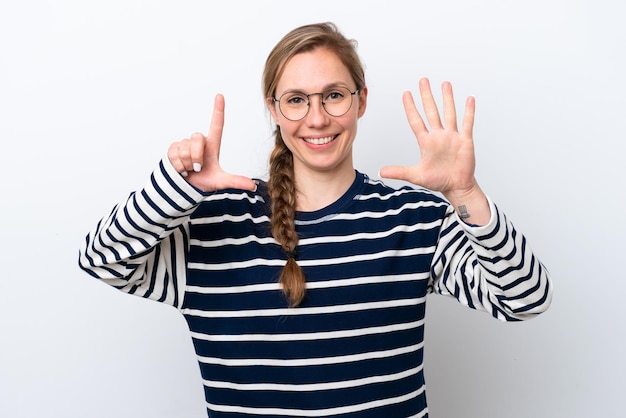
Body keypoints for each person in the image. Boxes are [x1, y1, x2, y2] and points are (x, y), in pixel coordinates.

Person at [79, 22, 552, 417]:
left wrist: (466, 193)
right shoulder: (213, 226)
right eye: (297, 99)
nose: (318, 118)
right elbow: (100, 261)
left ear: (361, 101)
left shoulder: (414, 219)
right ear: (274, 111)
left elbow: (525, 299)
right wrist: (177, 187)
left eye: (334, 96)